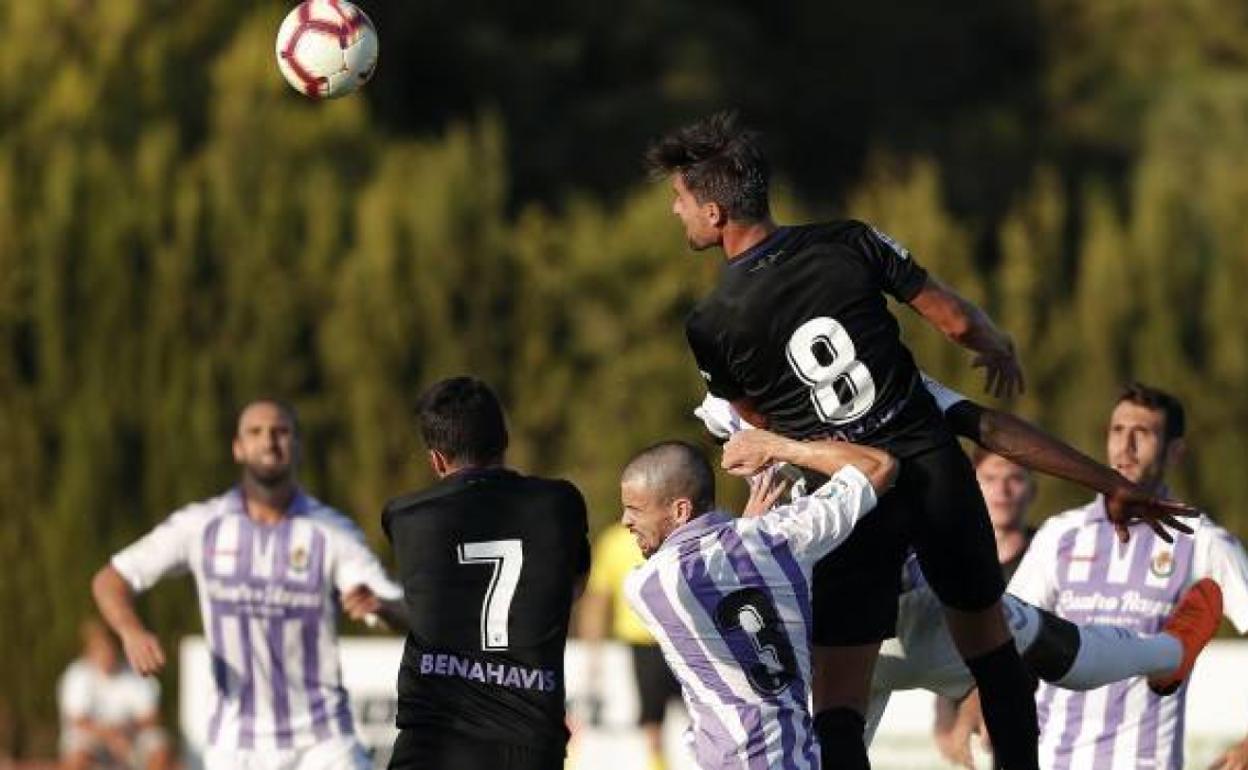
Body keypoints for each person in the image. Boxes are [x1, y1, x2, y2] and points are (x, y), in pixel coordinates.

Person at [646, 110, 1040, 770]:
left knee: (837, 700)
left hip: (850, 496)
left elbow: (758, 421)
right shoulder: (852, 241)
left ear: (715, 213)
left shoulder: (711, 322)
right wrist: (995, 342)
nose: (674, 211)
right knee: (992, 652)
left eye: (681, 199)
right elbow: (953, 320)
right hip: (933, 468)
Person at [621, 431, 1210, 770]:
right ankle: (1163, 652)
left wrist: (779, 449)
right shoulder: (764, 510)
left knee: (1043, 645)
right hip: (843, 642)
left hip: (905, 618)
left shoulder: (869, 391)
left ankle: (1167, 652)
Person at [91, 399, 407, 770]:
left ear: (297, 446)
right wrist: (130, 631)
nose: (269, 440)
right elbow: (110, 580)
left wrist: (383, 608)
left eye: (281, 431)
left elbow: (404, 614)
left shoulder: (331, 532)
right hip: (234, 743)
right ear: (238, 448)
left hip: (322, 741)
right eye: (255, 432)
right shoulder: (202, 526)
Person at [1010, 383, 1248, 770]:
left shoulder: (1202, 541)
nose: (1126, 446)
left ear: (1175, 452)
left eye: (1143, 433)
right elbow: (1006, 638)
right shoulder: (1059, 534)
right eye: (1117, 431)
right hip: (1051, 760)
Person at [382, 376, 591, 770]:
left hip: (431, 741)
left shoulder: (405, 515)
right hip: (527, 741)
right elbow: (574, 587)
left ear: (437, 460)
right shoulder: (560, 503)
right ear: (504, 440)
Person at [933, 450, 1038, 769]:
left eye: (1015, 479)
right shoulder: (946, 557)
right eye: (990, 479)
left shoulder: (1050, 555)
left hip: (1039, 721)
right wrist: (943, 718)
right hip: (968, 736)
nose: (1002, 491)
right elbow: (939, 643)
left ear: (1033, 489)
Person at [579, 522, 682, 770]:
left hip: (684, 638)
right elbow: (598, 599)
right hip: (643, 642)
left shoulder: (678, 534)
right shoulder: (613, 540)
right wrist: (592, 651)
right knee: (652, 720)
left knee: (702, 714)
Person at [58, 619, 173, 770]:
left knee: (159, 747)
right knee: (77, 753)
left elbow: (151, 717)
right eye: (99, 649)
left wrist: (125, 733)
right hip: (93, 739)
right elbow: (78, 720)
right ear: (89, 651)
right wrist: (111, 737)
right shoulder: (78, 675)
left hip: (132, 736)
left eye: (108, 649)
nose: (105, 655)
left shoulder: (135, 673)